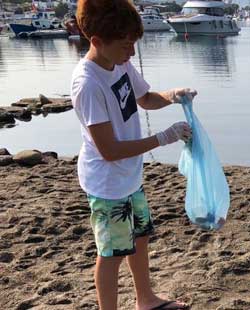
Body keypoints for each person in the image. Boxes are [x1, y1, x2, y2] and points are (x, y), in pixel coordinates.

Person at [71, 0, 196, 309]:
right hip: (107, 182)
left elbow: (145, 99)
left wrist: (172, 96)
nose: (132, 51)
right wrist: (163, 138)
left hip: (130, 174)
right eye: (126, 44)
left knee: (140, 238)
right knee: (111, 253)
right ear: (97, 42)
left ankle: (146, 299)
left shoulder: (121, 63)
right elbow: (109, 150)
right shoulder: (87, 84)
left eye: (134, 42)